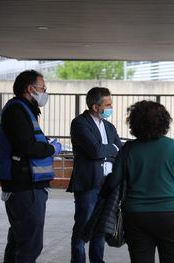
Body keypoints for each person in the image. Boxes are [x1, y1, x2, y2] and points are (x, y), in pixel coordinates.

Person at [107, 100, 174, 263]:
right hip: (171, 215)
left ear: (134, 123)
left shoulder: (128, 149)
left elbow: (114, 181)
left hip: (136, 216)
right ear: (164, 121)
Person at [0, 70, 62, 263]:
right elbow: (27, 146)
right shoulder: (17, 110)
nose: (44, 92)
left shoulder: (22, 108)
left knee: (19, 239)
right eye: (43, 88)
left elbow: (27, 140)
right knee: (30, 245)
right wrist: (52, 148)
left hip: (26, 184)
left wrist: (47, 144)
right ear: (30, 89)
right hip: (25, 185)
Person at [67, 87, 121, 263]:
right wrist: (109, 149)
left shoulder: (109, 127)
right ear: (95, 106)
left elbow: (119, 151)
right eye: (108, 104)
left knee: (100, 228)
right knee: (83, 228)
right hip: (89, 184)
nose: (111, 107)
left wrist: (109, 150)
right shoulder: (80, 123)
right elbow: (95, 151)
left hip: (107, 185)